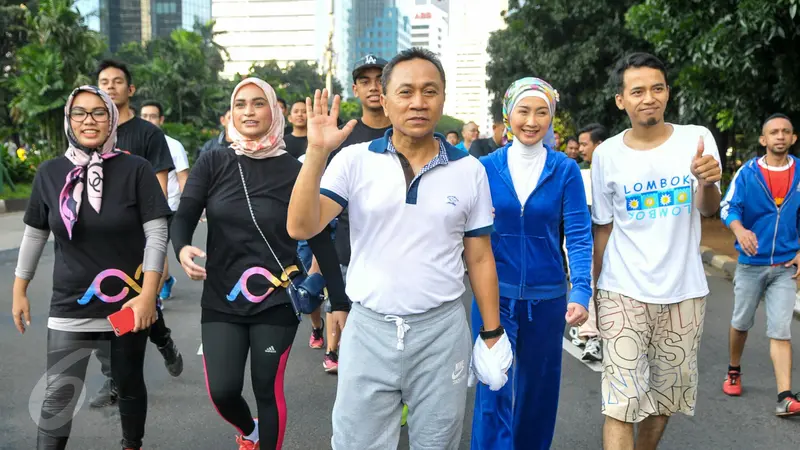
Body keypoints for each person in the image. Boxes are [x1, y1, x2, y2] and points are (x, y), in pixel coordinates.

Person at [287, 47, 511, 450]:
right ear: (385, 101)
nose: (418, 102)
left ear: (443, 99)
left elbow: (479, 256)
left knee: (437, 443)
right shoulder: (354, 160)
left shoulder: (469, 170)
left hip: (441, 333)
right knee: (357, 443)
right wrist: (317, 152)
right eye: (405, 92)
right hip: (369, 328)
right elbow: (301, 225)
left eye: (430, 91)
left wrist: (492, 332)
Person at [170, 77, 346, 450]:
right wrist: (182, 247)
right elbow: (184, 214)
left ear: (274, 110)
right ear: (231, 113)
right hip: (221, 298)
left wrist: (340, 300)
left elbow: (317, 237)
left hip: (275, 299)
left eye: (258, 103)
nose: (249, 111)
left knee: (267, 388)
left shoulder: (293, 170)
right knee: (223, 390)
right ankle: (248, 431)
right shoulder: (213, 161)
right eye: (241, 104)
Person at [11, 85, 171, 450]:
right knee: (57, 398)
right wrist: (19, 289)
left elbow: (157, 233)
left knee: (129, 385)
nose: (89, 120)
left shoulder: (136, 169)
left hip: (128, 304)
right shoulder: (50, 172)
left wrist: (148, 296)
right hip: (70, 302)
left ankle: (133, 444)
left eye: (99, 112)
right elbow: (35, 234)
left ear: (111, 118)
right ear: (69, 120)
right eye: (79, 113)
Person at [591, 52, 722, 450]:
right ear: (621, 100)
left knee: (665, 400)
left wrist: (710, 181)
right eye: (638, 91)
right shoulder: (606, 154)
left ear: (667, 93)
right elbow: (603, 228)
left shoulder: (695, 138)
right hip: (622, 291)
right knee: (620, 402)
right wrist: (596, 295)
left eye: (657, 88)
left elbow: (708, 210)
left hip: (684, 292)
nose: (649, 97)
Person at [471, 77, 592, 450]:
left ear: (551, 118)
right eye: (523, 110)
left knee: (539, 393)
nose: (531, 120)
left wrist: (582, 289)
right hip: (494, 295)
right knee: (494, 388)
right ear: (508, 114)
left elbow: (578, 233)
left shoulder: (565, 170)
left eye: (542, 112)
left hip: (548, 298)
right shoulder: (484, 167)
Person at [91, 59, 178, 407]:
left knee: (142, 304)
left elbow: (157, 192)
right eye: (103, 81)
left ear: (131, 90)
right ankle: (113, 378)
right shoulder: (90, 131)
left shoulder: (147, 134)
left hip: (139, 237)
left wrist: (155, 242)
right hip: (99, 239)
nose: (110, 87)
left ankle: (161, 338)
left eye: (117, 81)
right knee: (99, 304)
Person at [719, 113, 800, 416]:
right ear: (763, 140)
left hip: (785, 266)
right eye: (774, 132)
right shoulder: (747, 173)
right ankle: (734, 369)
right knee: (741, 322)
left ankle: (785, 396)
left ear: (793, 139)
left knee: (781, 329)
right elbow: (728, 206)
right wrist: (739, 229)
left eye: (786, 132)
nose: (780, 136)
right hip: (750, 264)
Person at [318, 53, 392, 372]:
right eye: (365, 81)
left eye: (380, 79)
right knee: (356, 361)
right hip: (351, 258)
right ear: (355, 89)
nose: (374, 87)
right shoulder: (342, 138)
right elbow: (317, 216)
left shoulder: (411, 135)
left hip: (399, 262)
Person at [139, 100, 189, 302]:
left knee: (157, 249)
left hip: (168, 207)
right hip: (137, 208)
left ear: (161, 119)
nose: (148, 120)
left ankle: (153, 299)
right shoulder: (135, 141)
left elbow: (183, 177)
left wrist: (189, 208)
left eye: (153, 116)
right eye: (145, 116)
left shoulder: (173, 145)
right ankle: (164, 280)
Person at [570, 122, 609, 362]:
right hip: (586, 242)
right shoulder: (579, 173)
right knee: (589, 284)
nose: (581, 149)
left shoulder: (616, 172)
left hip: (609, 242)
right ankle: (591, 334)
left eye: (585, 144)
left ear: (600, 145)